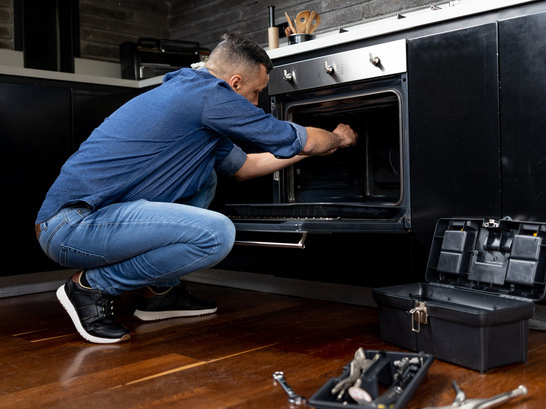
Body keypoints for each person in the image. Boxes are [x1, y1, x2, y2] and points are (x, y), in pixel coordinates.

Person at [34, 33, 358, 344]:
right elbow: (295, 137)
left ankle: (161, 293)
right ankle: (91, 288)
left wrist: (302, 154)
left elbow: (245, 167)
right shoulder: (209, 95)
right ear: (234, 83)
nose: (257, 104)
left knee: (206, 177)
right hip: (71, 227)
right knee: (217, 234)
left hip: (86, 223)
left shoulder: (194, 99)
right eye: (257, 92)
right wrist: (337, 138)